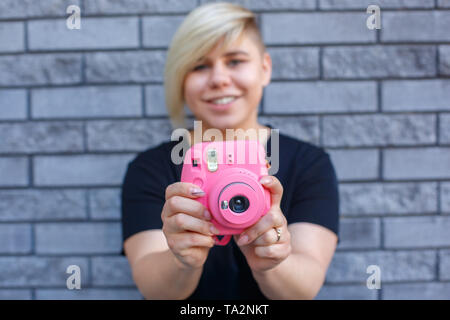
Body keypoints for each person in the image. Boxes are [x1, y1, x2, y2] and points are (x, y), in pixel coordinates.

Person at [121, 2, 339, 300]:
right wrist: (182, 260)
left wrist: (271, 263)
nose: (219, 79)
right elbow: (155, 290)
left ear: (264, 69)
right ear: (181, 80)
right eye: (199, 65)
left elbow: (303, 290)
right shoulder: (150, 168)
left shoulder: (310, 164)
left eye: (235, 61)